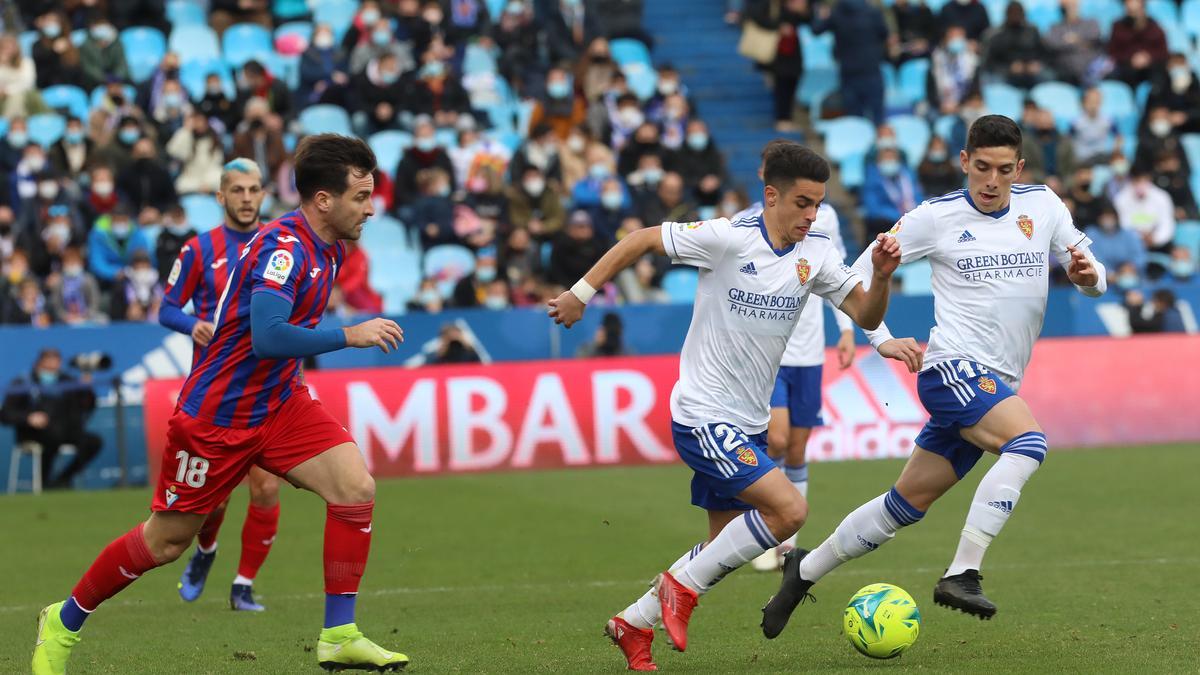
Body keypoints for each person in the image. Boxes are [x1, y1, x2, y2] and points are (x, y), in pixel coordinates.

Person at [32, 135, 410, 673]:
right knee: (166, 543)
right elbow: (269, 336)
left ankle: (340, 633)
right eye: (362, 195)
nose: (371, 208)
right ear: (324, 199)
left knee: (355, 487)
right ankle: (63, 622)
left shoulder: (330, 246)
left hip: (278, 403)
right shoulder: (286, 248)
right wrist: (349, 335)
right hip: (218, 416)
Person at [548, 142, 902, 670]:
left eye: (817, 204)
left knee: (718, 551)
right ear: (771, 195)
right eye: (802, 203)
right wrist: (581, 292)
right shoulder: (728, 237)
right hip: (703, 415)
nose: (811, 215)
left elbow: (865, 312)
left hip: (748, 422)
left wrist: (883, 275)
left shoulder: (817, 254)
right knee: (789, 511)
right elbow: (644, 239)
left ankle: (632, 624)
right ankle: (675, 590)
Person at [759, 116, 1107, 640]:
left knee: (904, 505)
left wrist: (1090, 277)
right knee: (1028, 443)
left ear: (1021, 168)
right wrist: (882, 337)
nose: (992, 181)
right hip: (952, 370)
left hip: (998, 384)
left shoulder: (1044, 205)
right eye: (982, 167)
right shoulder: (934, 218)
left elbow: (1093, 271)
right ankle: (962, 571)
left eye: (1004, 170)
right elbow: (850, 279)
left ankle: (801, 572)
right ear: (964, 162)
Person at [157, 158, 282, 613]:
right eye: (238, 190)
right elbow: (167, 308)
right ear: (221, 197)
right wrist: (193, 325)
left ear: (263, 195)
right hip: (218, 392)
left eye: (254, 190)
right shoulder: (198, 250)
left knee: (267, 488)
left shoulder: (279, 244)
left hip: (268, 388)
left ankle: (244, 585)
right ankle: (205, 552)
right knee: (213, 501)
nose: (247, 198)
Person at [0, 348, 101, 489]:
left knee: (93, 442)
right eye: (49, 361)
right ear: (39, 363)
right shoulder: (23, 382)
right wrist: (28, 418)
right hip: (34, 433)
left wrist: (86, 389)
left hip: (66, 430)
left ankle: (62, 479)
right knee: (53, 437)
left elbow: (86, 406)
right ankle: (44, 483)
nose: (53, 366)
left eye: (56, 361)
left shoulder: (68, 381)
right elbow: (6, 414)